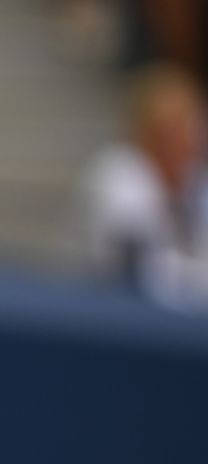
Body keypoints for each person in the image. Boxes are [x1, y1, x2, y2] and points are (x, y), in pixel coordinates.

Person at [82, 62, 208, 312]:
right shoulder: (117, 176)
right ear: (152, 134)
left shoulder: (196, 183)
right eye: (181, 132)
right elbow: (138, 271)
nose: (192, 143)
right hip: (107, 315)